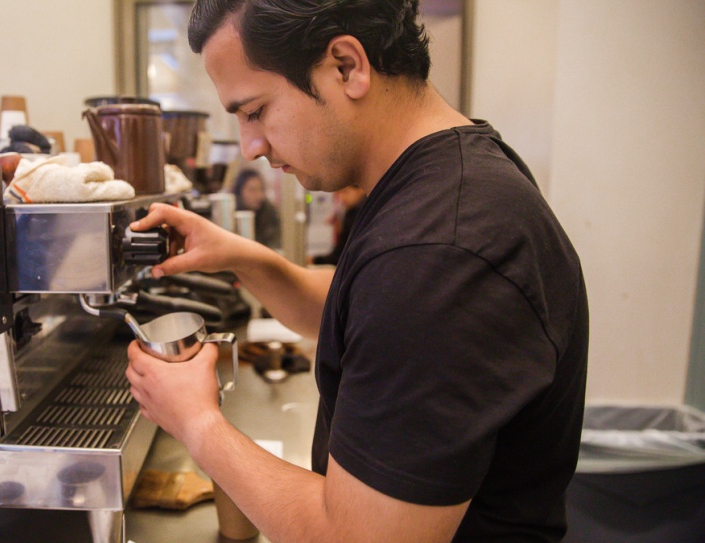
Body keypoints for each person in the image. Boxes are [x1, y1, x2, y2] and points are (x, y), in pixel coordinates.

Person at [125, 1, 588, 542]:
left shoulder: (439, 251)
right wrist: (242, 257)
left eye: (254, 111)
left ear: (346, 65)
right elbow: (367, 312)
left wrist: (196, 423)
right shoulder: (450, 180)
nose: (251, 147)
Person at [311, 184, 365, 266]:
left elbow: (341, 254)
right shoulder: (356, 211)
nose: (342, 198)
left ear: (361, 190)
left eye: (345, 192)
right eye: (339, 193)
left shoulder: (355, 213)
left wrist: (315, 260)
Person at [232, 168, 282, 248]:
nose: (259, 195)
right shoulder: (231, 215)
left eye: (261, 189)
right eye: (252, 190)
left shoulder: (269, 214)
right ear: (239, 192)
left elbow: (275, 244)